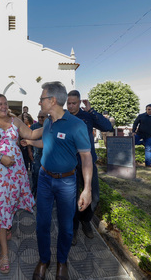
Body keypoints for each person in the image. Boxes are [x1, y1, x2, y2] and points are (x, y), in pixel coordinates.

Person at [23, 82, 93, 280]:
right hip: (45, 179)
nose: (39, 101)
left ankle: (62, 261)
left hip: (67, 182)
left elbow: (86, 157)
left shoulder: (77, 125)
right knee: (42, 223)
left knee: (66, 226)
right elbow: (46, 143)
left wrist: (87, 189)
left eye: (42, 98)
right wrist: (30, 142)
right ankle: (44, 259)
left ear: (52, 100)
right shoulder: (48, 122)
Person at [0, 93, 42, 274]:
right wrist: (1, 158)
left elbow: (30, 133)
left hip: (15, 171)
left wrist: (50, 124)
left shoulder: (14, 120)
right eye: (0, 104)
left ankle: (6, 226)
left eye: (6, 103)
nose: (4, 106)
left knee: (11, 201)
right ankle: (4, 252)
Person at [67, 90, 112, 242]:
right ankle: (73, 227)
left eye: (74, 103)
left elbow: (107, 127)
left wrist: (91, 111)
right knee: (71, 197)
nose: (71, 106)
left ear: (79, 102)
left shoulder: (87, 116)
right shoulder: (63, 117)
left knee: (94, 196)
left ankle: (85, 221)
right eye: (69, 103)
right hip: (70, 164)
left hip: (88, 163)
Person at [27, 110, 48, 197]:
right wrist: (29, 152)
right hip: (36, 155)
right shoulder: (33, 126)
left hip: (48, 156)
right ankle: (34, 191)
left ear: (47, 117)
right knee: (35, 173)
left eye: (42, 117)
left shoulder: (51, 126)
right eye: (38, 117)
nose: (40, 119)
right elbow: (29, 139)